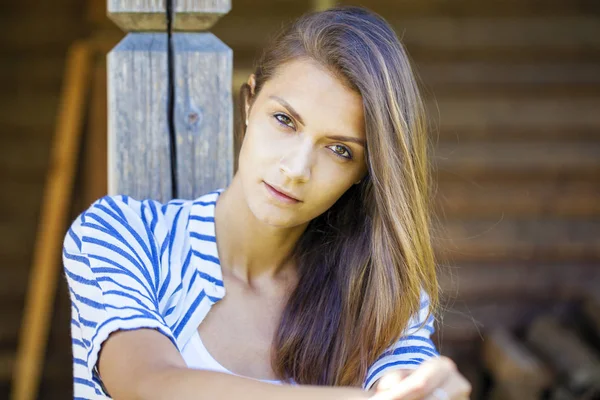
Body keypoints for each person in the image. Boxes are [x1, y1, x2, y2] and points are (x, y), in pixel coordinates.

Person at [63, 5, 471, 400]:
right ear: (248, 103)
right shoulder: (121, 234)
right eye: (284, 121)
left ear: (364, 172)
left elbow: (400, 379)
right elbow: (148, 385)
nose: (296, 168)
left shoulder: (380, 291)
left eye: (340, 150)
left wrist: (418, 389)